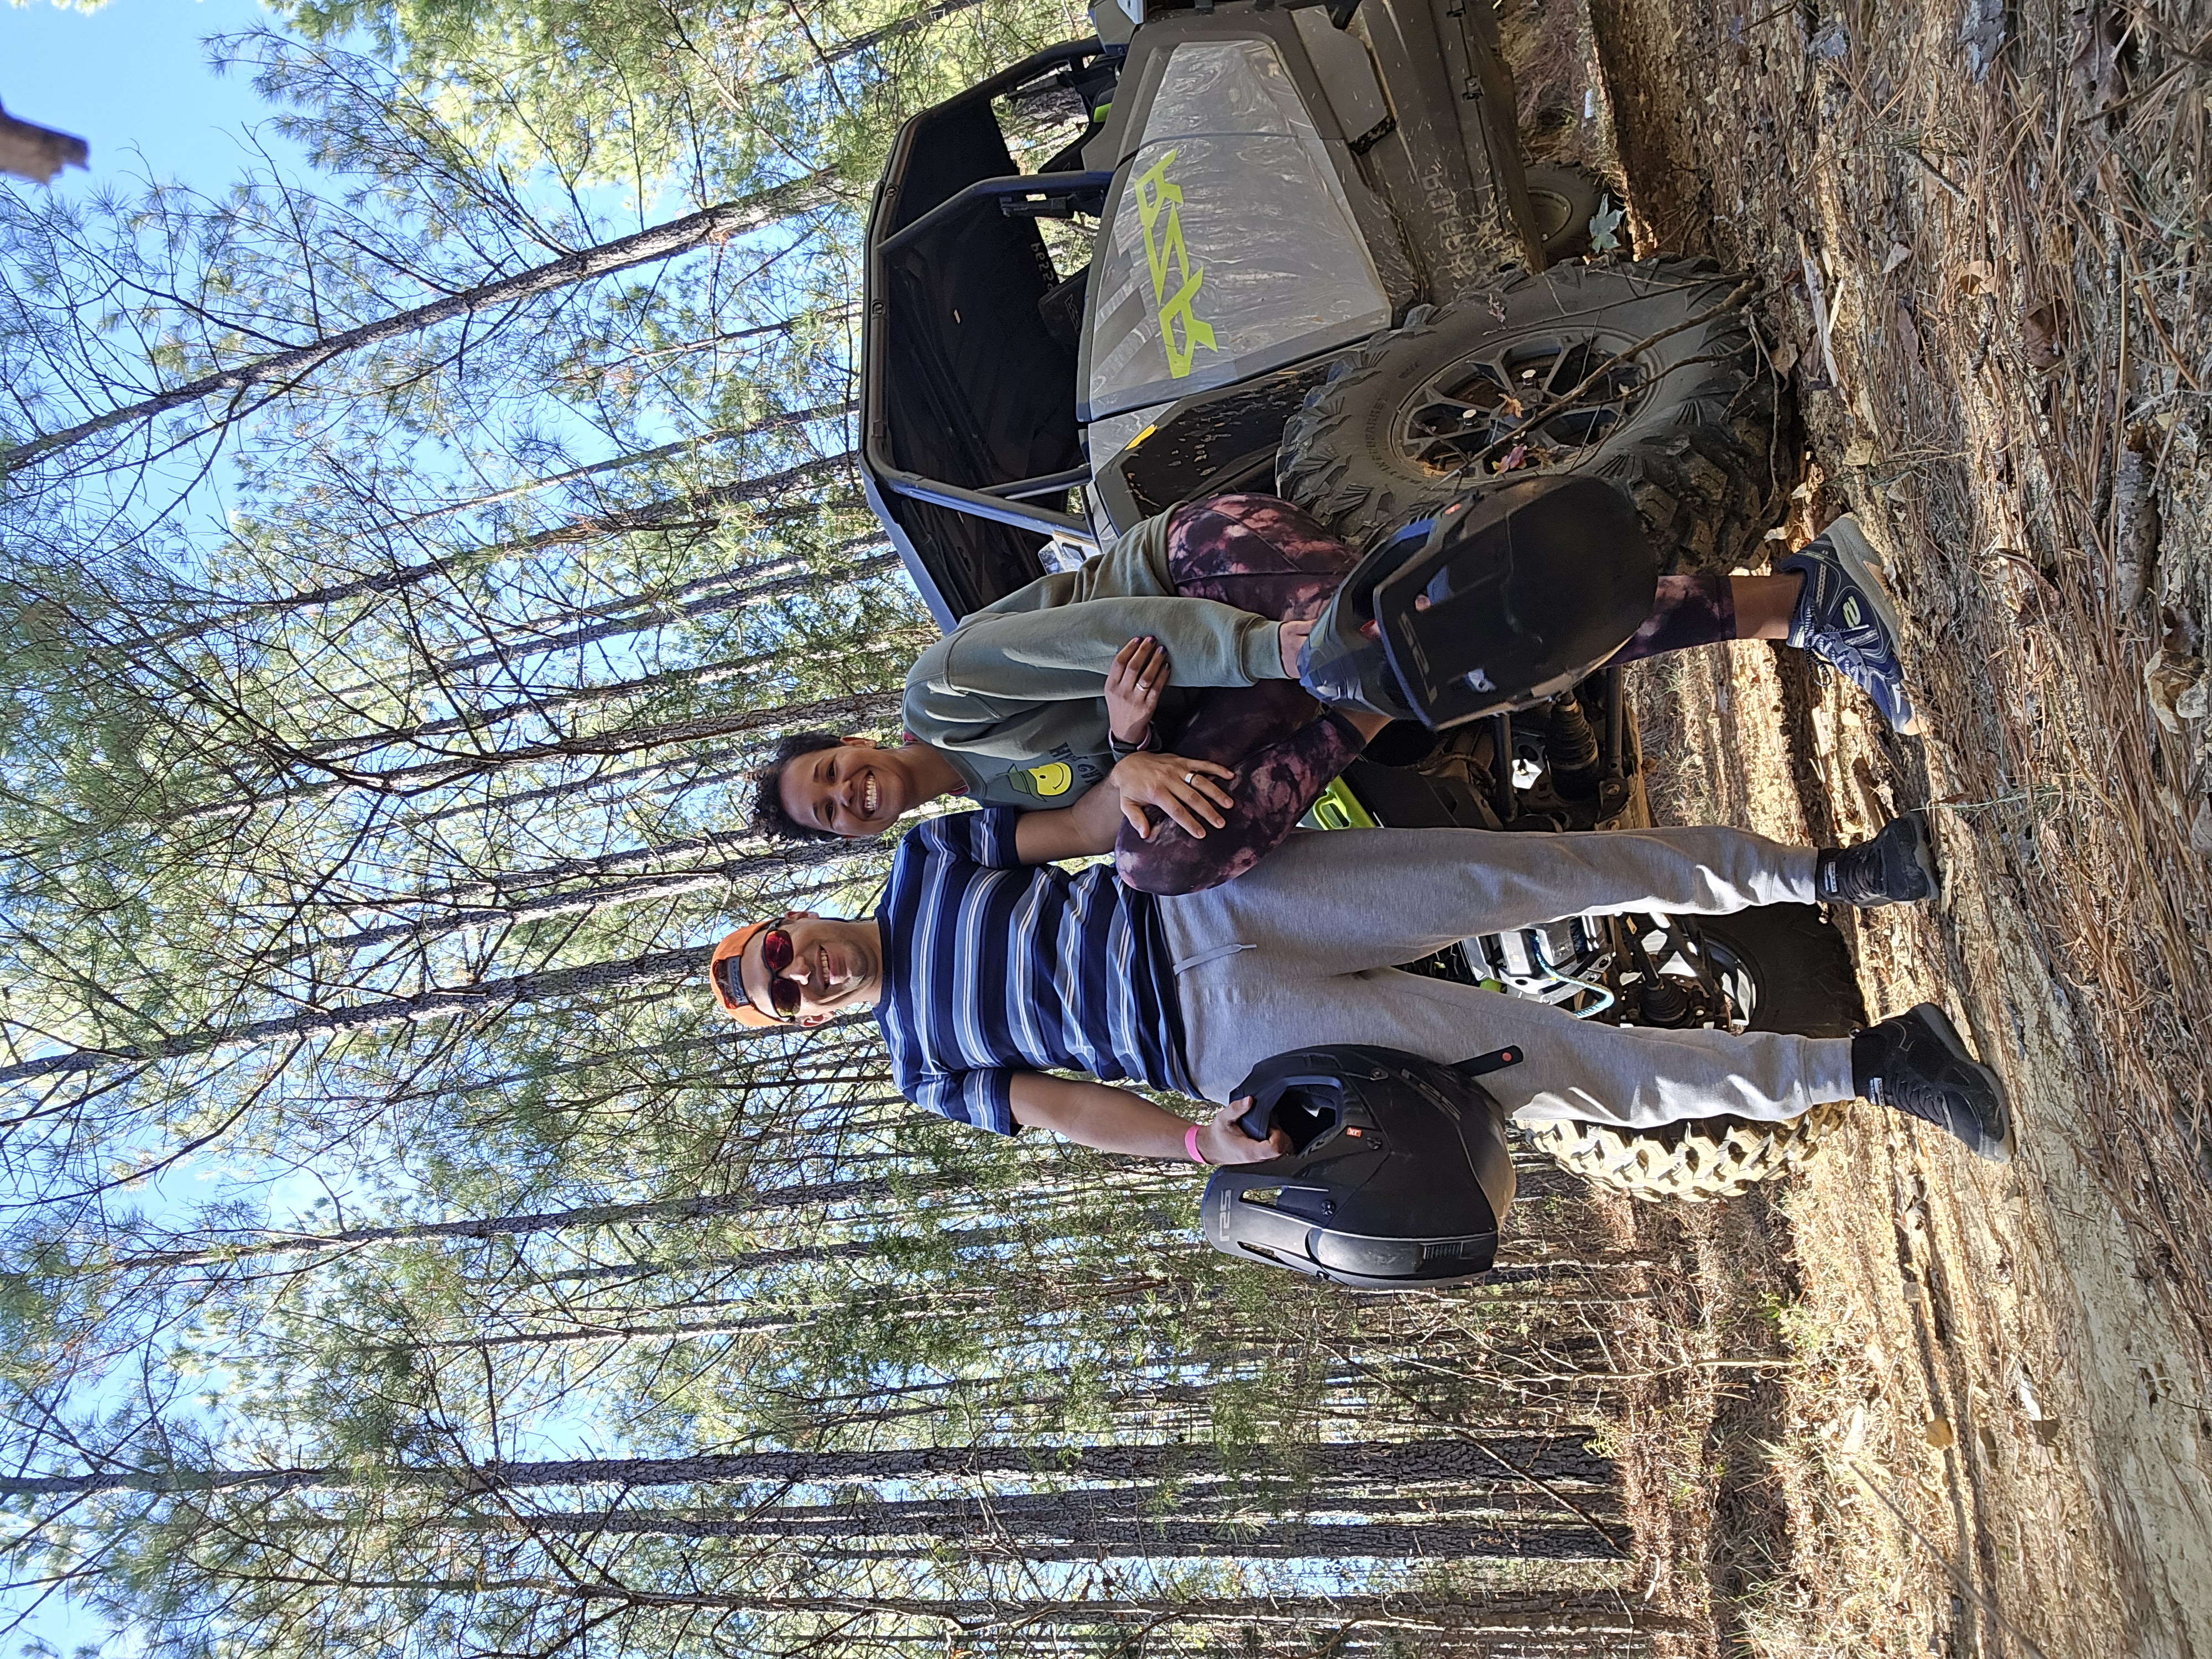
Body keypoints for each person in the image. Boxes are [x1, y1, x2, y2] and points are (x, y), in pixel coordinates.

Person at [706, 807, 2012, 1169]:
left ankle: (1833, 872)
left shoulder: (928, 858)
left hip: (1211, 898)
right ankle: (1873, 1064)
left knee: (1523, 876)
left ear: (797, 914)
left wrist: (1135, 765)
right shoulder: (924, 1068)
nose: (805, 972)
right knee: (1550, 1073)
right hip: (1229, 1036)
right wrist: (1194, 1137)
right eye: (790, 997)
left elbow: (1088, 824)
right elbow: (1061, 1108)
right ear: (803, 1024)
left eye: (787, 950)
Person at [754, 495, 1921, 895]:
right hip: (1229, 668)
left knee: (1398, 648)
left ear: (848, 740)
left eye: (826, 774)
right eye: (831, 815)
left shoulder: (943, 694)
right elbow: (1121, 810)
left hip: (1201, 568)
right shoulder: (993, 804)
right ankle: (1370, 703)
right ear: (858, 834)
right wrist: (1128, 756)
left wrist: (1278, 656)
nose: (847, 795)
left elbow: (1120, 629)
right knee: (1161, 867)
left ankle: (1797, 598)